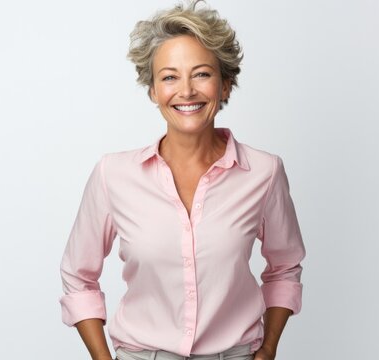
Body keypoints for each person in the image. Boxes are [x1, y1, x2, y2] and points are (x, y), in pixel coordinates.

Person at [59, 1, 306, 360]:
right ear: (153, 91)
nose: (186, 91)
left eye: (202, 74)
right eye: (170, 77)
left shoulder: (264, 172)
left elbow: (285, 267)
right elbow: (78, 275)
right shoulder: (113, 175)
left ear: (225, 85)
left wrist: (269, 348)